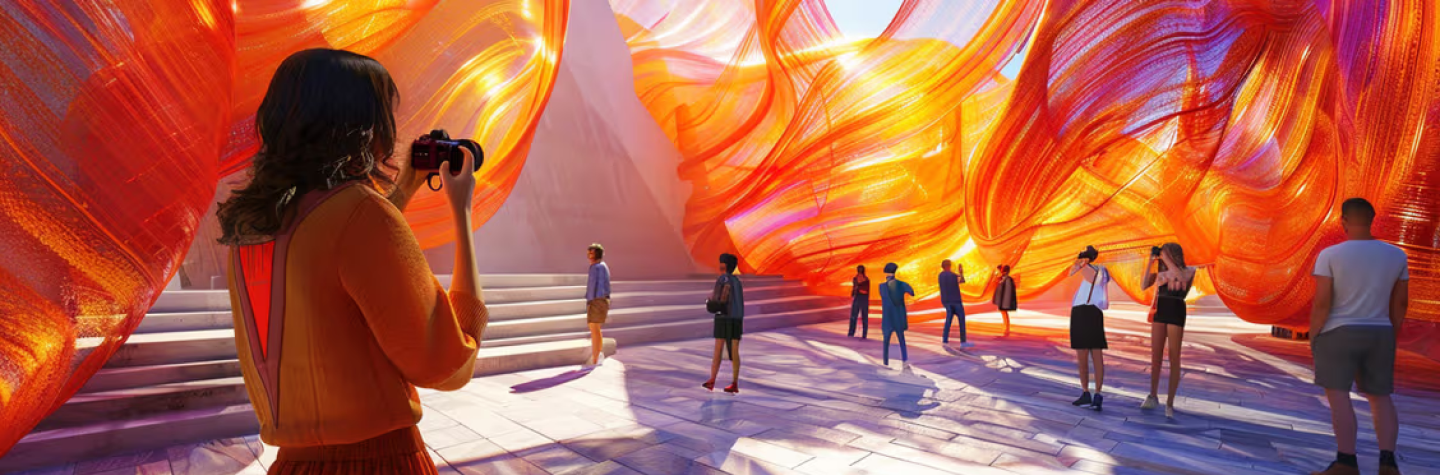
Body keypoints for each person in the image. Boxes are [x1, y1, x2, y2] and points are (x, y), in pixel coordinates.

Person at [216, 49, 486, 475]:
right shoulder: (361, 215)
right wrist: (462, 210)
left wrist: (403, 191)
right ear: (364, 126)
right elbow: (445, 366)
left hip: (293, 464)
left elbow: (333, 255)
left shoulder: (251, 226)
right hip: (380, 462)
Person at [1309, 198, 1409, 475]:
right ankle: (1388, 463)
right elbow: (1400, 303)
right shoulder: (1397, 255)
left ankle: (1346, 462)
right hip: (1380, 332)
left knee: (1339, 397)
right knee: (1381, 398)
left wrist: (1314, 335)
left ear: (1343, 221)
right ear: (1372, 219)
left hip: (1338, 333)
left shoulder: (1330, 255)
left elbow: (1322, 303)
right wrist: (1391, 331)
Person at [1141, 242, 1195, 418]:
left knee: (1174, 357)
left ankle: (1170, 403)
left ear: (1173, 254)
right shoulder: (1162, 274)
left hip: (1176, 311)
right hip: (1161, 310)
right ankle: (1152, 395)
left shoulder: (1190, 271)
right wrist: (1150, 261)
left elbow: (1181, 278)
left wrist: (1164, 257)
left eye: (1165, 254)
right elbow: (1143, 285)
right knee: (1155, 356)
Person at [1067, 246, 1110, 411]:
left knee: (1090, 356)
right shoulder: (1099, 271)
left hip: (1085, 312)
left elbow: (1072, 271)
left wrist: (1079, 264)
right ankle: (1089, 393)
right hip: (1088, 312)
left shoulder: (1093, 270)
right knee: (1087, 356)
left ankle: (1094, 393)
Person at [704, 253, 745, 394]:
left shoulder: (723, 279)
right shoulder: (737, 281)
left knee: (718, 349)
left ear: (725, 264)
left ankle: (712, 380)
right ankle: (734, 382)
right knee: (734, 351)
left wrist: (710, 302)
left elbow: (720, 297)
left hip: (723, 317)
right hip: (736, 318)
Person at [879, 263, 916, 367]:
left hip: (887, 318)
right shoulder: (902, 284)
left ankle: (885, 362)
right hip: (898, 317)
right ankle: (905, 360)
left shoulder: (881, 287)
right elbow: (912, 292)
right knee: (901, 339)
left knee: (886, 342)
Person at [584, 243, 611, 368]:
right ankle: (597, 355)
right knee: (596, 329)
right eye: (589, 253)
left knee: (594, 329)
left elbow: (593, 287)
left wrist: (590, 302)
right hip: (602, 300)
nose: (589, 256)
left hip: (596, 300)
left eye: (591, 253)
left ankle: (596, 358)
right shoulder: (603, 266)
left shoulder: (595, 267)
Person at [939, 259, 971, 347]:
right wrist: (961, 272)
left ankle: (945, 340)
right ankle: (963, 341)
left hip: (946, 301)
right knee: (961, 320)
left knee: (948, 320)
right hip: (956, 301)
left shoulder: (940, 275)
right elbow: (962, 280)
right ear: (949, 266)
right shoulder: (953, 275)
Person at [992, 265, 1017, 335]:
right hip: (1002, 299)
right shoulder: (1003, 278)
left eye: (1003, 271)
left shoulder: (1008, 279)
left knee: (1004, 312)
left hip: (1004, 300)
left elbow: (1008, 291)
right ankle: (1006, 326)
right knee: (1003, 312)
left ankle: (1007, 327)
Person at [848, 265, 871, 339]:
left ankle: (864, 334)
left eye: (861, 270)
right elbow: (854, 288)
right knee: (853, 316)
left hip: (863, 299)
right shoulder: (855, 278)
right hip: (857, 298)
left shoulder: (866, 279)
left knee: (864, 317)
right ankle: (851, 333)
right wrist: (854, 292)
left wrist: (858, 288)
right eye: (859, 270)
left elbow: (866, 291)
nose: (860, 271)